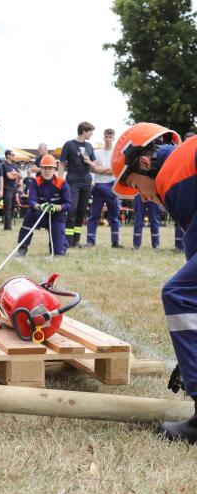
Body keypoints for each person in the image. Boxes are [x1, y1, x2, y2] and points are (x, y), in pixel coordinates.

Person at [110, 122, 197, 443]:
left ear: (145, 163)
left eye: (135, 185)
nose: (143, 197)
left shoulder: (174, 176)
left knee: (180, 294)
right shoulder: (185, 162)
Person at [17, 155, 72, 256]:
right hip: (40, 215)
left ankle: (61, 243)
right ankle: (22, 247)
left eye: (50, 168)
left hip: (57, 217)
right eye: (44, 168)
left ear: (54, 169)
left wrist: (56, 207)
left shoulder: (62, 183)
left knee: (58, 253)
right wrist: (39, 206)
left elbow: (68, 204)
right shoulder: (35, 182)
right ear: (40, 169)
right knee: (30, 214)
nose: (47, 171)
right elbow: (31, 201)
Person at [59, 122, 96, 247]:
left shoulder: (90, 146)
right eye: (91, 132)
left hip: (86, 181)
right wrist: (60, 180)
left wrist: (89, 161)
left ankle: (76, 241)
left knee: (81, 211)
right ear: (84, 131)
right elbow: (62, 163)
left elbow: (94, 164)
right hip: (72, 181)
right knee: (72, 209)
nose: (92, 134)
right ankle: (68, 240)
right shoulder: (69, 144)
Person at [86, 129, 123, 248]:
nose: (108, 138)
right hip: (98, 186)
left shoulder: (116, 153)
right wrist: (106, 169)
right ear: (103, 138)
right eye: (106, 136)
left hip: (112, 186)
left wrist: (100, 169)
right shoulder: (97, 153)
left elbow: (115, 170)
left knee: (114, 216)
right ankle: (90, 242)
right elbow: (92, 168)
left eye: (110, 137)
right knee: (94, 216)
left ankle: (115, 242)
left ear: (113, 138)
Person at [2, 150, 22, 230]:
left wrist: (15, 174)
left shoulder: (14, 166)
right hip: (7, 188)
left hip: (14, 188)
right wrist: (15, 175)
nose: (13, 156)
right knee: (8, 207)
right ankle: (7, 226)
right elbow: (9, 176)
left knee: (13, 206)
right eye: (12, 154)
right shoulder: (4, 165)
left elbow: (20, 176)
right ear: (7, 155)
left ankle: (9, 224)